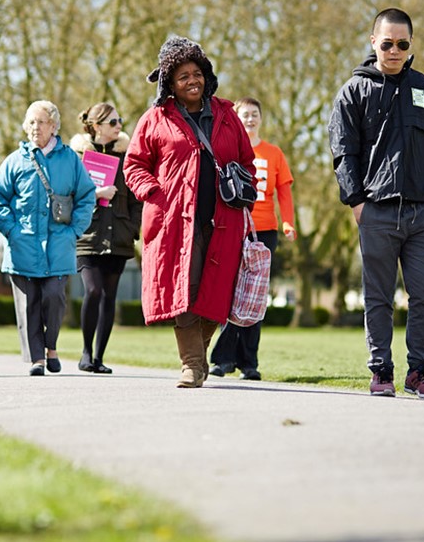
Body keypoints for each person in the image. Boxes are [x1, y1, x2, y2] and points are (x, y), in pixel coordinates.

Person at [328, 8, 424, 398]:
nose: (394, 50)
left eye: (402, 44)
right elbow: (343, 152)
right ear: (373, 42)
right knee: (378, 297)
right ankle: (381, 370)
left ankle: (419, 372)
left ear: (410, 45)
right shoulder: (354, 92)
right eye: (387, 43)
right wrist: (356, 202)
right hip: (377, 212)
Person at [123, 36, 255, 389]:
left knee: (218, 291)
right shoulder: (155, 119)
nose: (192, 81)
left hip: (224, 217)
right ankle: (192, 364)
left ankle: (198, 354)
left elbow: (245, 160)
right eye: (183, 77)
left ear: (206, 75)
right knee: (185, 288)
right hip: (174, 221)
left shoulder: (227, 114)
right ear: (170, 84)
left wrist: (246, 188)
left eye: (196, 73)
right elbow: (134, 165)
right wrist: (153, 192)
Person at [0, 100, 97, 376]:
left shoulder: (70, 159)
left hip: (59, 244)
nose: (36, 127)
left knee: (54, 298)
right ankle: (37, 359)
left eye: (42, 121)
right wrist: (11, 231)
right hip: (22, 244)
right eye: (31, 122)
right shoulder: (15, 161)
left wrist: (74, 231)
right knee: (29, 304)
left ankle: (51, 347)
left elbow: (86, 196)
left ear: (54, 126)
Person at [209, 98, 297, 381]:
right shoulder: (225, 149)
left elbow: (283, 190)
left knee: (255, 297)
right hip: (233, 228)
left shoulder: (273, 153)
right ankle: (222, 360)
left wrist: (288, 222)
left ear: (261, 118)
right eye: (244, 114)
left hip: (265, 231)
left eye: (254, 114)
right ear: (235, 118)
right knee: (232, 293)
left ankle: (249, 363)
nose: (249, 119)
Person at [70, 102, 142, 374]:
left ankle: (98, 357)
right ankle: (86, 352)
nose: (119, 125)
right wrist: (97, 193)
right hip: (87, 236)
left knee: (109, 297)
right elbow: (67, 195)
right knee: (93, 290)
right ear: (97, 126)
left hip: (119, 238)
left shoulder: (127, 159)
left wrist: (132, 229)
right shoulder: (76, 157)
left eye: (120, 120)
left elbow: (137, 200)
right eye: (113, 122)